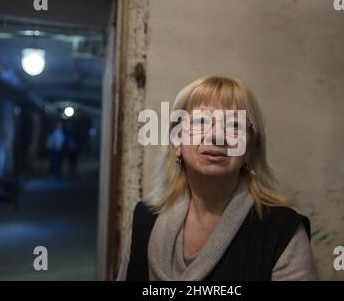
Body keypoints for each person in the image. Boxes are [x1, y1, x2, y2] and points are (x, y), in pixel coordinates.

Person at [117, 76, 318, 281]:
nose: (216, 136)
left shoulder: (281, 232)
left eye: (234, 126)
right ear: (177, 141)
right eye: (200, 121)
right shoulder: (145, 219)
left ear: (249, 149)